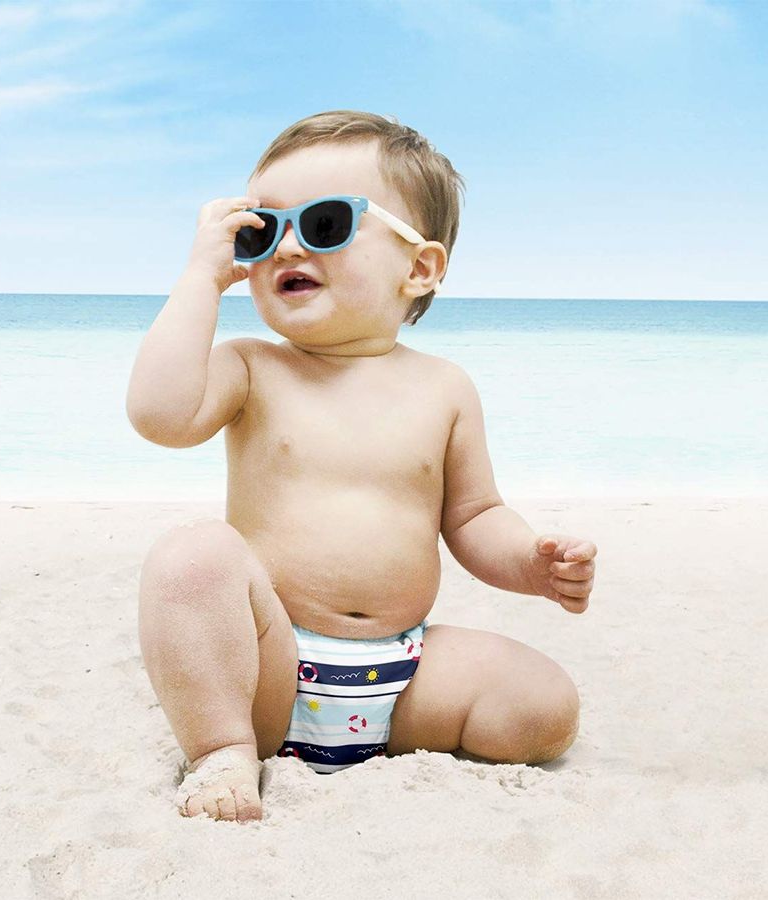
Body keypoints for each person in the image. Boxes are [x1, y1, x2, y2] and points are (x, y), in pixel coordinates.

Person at [126, 110, 597, 824]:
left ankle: (389, 737)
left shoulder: (445, 389)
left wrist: (530, 563)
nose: (287, 247)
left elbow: (473, 516)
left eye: (323, 225)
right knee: (192, 559)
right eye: (261, 230)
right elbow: (159, 414)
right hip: (269, 671)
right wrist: (200, 276)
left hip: (403, 675)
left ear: (419, 267)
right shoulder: (252, 369)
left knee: (545, 705)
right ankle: (222, 748)